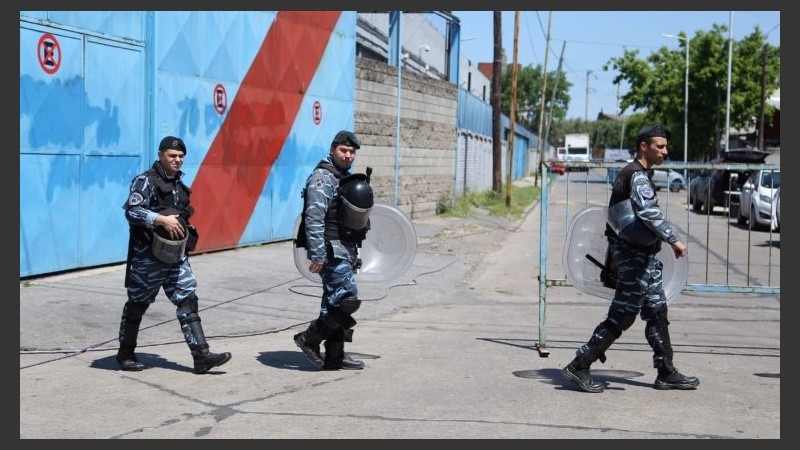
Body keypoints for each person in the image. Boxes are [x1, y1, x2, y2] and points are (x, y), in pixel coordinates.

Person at [562, 125, 699, 393]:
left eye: (666, 146)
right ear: (644, 147)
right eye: (660, 146)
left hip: (644, 259)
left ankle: (666, 372)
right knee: (623, 314)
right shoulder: (636, 176)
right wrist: (674, 240)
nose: (665, 151)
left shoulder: (636, 174)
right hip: (635, 259)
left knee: (657, 311)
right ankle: (580, 364)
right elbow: (648, 213)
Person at [116, 135, 232, 374]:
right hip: (148, 256)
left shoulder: (179, 184)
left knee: (188, 299)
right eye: (172, 156)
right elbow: (132, 211)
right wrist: (159, 219)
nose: (177, 160)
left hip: (175, 255)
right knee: (138, 303)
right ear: (160, 155)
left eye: (180, 157)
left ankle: (201, 356)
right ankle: (126, 353)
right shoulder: (145, 181)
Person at [293, 130, 374, 370]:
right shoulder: (323, 178)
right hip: (329, 250)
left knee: (333, 301)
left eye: (352, 152)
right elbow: (314, 218)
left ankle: (335, 356)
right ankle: (309, 338)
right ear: (333, 149)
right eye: (343, 150)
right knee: (346, 299)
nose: (348, 155)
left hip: (343, 249)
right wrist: (317, 255)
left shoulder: (343, 177)